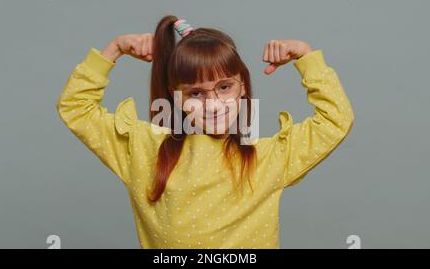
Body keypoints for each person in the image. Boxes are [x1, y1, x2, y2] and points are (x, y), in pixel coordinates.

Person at [56, 14, 354, 249]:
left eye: (224, 87)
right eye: (196, 93)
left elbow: (336, 119)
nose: (213, 104)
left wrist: (306, 56)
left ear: (243, 88)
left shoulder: (269, 159)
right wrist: (114, 50)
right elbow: (75, 108)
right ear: (177, 98)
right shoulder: (143, 149)